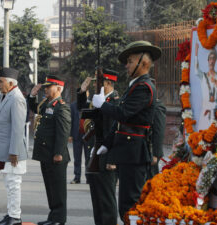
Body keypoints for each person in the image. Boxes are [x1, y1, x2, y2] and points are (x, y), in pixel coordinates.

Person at [92, 40, 161, 222]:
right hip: (128, 151)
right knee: (126, 204)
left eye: (130, 61)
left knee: (130, 204)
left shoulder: (144, 88)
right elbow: (123, 122)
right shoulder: (135, 85)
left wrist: (102, 106)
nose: (126, 65)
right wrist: (107, 143)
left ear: (143, 63)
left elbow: (123, 113)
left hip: (135, 152)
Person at [78, 69, 120, 225]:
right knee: (96, 198)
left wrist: (112, 158)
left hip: (106, 157)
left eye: (98, 83)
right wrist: (82, 92)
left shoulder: (114, 102)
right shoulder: (98, 100)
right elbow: (83, 111)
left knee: (107, 198)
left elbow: (115, 131)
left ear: (108, 83)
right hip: (93, 153)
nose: (95, 86)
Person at [28, 76, 71, 225]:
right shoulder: (47, 104)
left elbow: (63, 132)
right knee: (50, 188)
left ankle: (59, 219)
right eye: (45, 87)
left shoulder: (61, 106)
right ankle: (53, 217)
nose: (45, 90)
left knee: (58, 190)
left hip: (55, 155)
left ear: (58, 88)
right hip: (46, 154)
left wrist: (58, 152)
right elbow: (35, 108)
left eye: (49, 87)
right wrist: (32, 96)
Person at [0, 68, 28, 225]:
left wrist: (14, 152)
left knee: (14, 184)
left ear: (11, 83)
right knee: (9, 183)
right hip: (6, 149)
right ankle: (11, 214)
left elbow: (18, 128)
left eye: (1, 81)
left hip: (13, 151)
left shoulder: (16, 98)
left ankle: (15, 217)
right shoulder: (8, 95)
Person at [195, 43, 217, 130]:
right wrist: (196, 53)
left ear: (216, 60)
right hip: (204, 111)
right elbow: (196, 70)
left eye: (213, 58)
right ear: (208, 60)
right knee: (202, 136)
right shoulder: (203, 76)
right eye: (210, 58)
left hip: (214, 112)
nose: (211, 61)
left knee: (214, 136)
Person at [69, 100, 88, 184]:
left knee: (88, 157)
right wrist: (70, 135)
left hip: (88, 135)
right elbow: (70, 120)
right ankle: (77, 177)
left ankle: (89, 177)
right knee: (77, 158)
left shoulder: (90, 104)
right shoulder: (73, 106)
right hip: (77, 134)